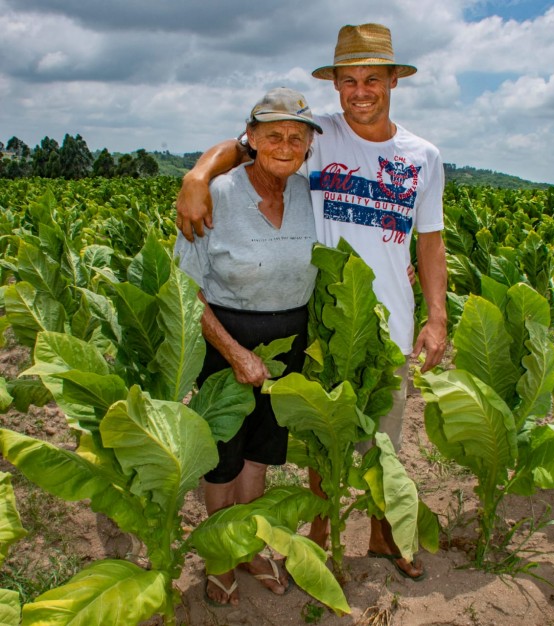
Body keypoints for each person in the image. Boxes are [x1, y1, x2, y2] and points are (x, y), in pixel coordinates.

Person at [176, 23, 447, 581]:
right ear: (337, 86)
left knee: (383, 442)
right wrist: (198, 173)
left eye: (373, 78)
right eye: (349, 80)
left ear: (394, 80)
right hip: (323, 319)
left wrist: (437, 317)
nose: (360, 91)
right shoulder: (316, 132)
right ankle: (320, 532)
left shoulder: (423, 155)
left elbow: (431, 240)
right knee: (322, 437)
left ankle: (381, 536)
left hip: (390, 322)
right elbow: (245, 143)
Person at [174, 87, 322, 606]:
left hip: (289, 341)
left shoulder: (311, 195)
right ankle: (219, 552)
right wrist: (235, 352)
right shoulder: (215, 193)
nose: (285, 144)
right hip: (226, 338)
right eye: (273, 134)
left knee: (260, 455)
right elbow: (188, 291)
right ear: (251, 139)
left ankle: (251, 544)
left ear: (308, 146)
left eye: (297, 137)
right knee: (223, 456)